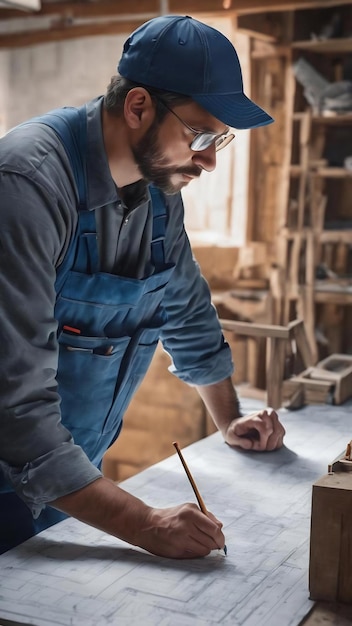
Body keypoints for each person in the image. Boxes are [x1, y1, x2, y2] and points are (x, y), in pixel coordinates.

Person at [0, 14, 285, 558]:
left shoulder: (157, 189)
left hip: (75, 482)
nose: (209, 160)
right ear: (137, 107)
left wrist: (231, 418)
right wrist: (148, 524)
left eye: (220, 139)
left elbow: (181, 302)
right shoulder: (27, 185)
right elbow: (15, 410)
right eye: (200, 135)